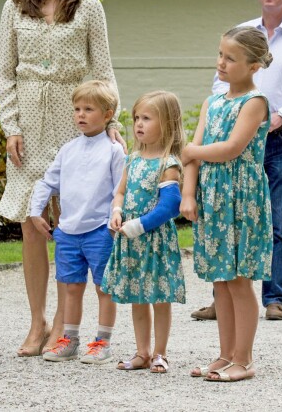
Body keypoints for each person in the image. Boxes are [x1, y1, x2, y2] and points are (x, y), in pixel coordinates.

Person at [0, 0, 123, 356]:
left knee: (77, 221)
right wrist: (10, 126)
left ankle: (68, 328)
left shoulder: (89, 8)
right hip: (28, 123)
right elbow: (5, 73)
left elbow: (103, 70)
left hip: (77, 120)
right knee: (32, 226)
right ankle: (38, 322)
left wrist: (109, 119)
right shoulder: (14, 7)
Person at [192, 0, 282, 323]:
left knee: (278, 219)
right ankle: (221, 297)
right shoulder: (241, 34)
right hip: (232, 134)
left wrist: (280, 116)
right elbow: (219, 83)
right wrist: (229, 110)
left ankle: (273, 296)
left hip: (281, 136)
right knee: (225, 217)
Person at [181, 26, 273, 381]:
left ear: (253, 66)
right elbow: (194, 156)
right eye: (220, 54)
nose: (221, 63)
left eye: (230, 58)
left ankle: (244, 359)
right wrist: (188, 194)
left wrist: (191, 150)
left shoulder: (255, 103)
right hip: (214, 199)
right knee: (220, 280)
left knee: (238, 279)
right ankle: (225, 355)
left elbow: (231, 148)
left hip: (242, 198)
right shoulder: (212, 101)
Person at [27, 80, 124, 364]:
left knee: (104, 288)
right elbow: (47, 182)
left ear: (107, 114)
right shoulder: (68, 149)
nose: (80, 114)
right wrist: (35, 211)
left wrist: (113, 221)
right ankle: (69, 340)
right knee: (71, 287)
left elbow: (120, 188)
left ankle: (102, 342)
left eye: (89, 109)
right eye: (77, 109)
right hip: (68, 232)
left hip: (100, 231)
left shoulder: (114, 151)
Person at [102, 90, 185, 374]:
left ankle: (160, 353)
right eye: (137, 117)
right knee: (137, 297)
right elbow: (120, 192)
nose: (138, 124)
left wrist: (138, 225)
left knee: (159, 298)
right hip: (131, 240)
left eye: (147, 118)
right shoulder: (133, 159)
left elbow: (170, 206)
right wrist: (116, 212)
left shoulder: (168, 164)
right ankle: (142, 352)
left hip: (154, 240)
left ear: (167, 124)